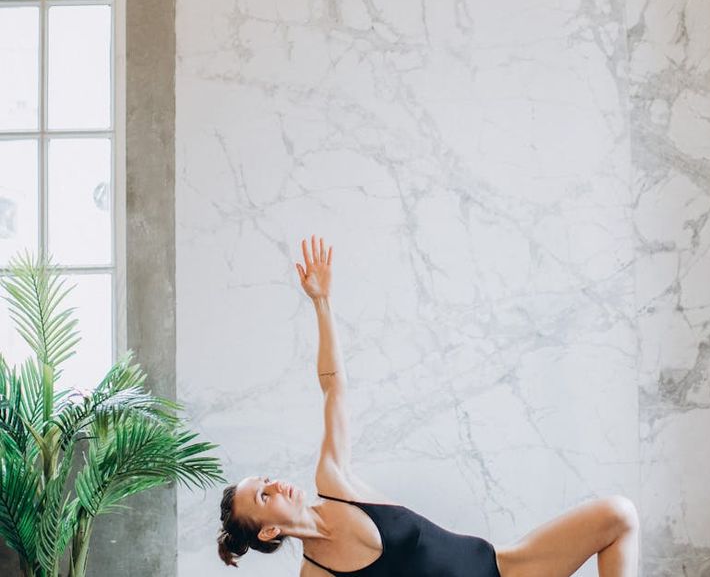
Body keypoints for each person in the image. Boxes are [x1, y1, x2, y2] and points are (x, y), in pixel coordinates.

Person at [217, 234, 640, 576]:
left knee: (617, 516)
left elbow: (334, 388)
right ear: (270, 530)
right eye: (263, 496)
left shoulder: (335, 482)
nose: (276, 485)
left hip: (507, 569)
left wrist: (321, 302)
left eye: (267, 480)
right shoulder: (318, 575)